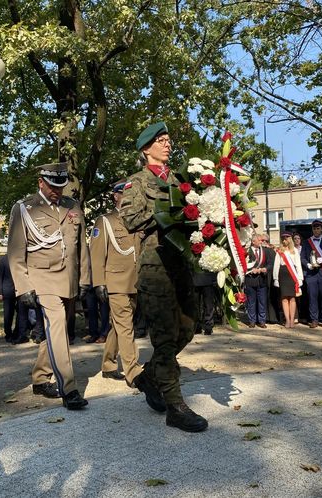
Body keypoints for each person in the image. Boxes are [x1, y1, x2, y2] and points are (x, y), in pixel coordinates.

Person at [120, 121, 206, 432]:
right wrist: (167, 209)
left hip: (181, 263)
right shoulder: (137, 183)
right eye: (161, 141)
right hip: (155, 266)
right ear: (146, 149)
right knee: (165, 337)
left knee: (187, 327)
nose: (168, 145)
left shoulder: (183, 180)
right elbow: (129, 219)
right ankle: (175, 407)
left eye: (169, 140)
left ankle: (148, 378)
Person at [7, 161, 91, 410]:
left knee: (58, 330)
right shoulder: (24, 209)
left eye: (61, 185)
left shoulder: (72, 206)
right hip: (41, 278)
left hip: (69, 279)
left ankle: (40, 378)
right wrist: (23, 287)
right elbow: (15, 251)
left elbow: (81, 248)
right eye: (53, 185)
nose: (57, 190)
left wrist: (85, 279)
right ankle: (70, 388)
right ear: (41, 182)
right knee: (56, 328)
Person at [89, 180, 144, 384]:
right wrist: (99, 282)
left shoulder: (138, 220)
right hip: (115, 282)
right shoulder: (106, 221)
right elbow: (96, 255)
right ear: (116, 196)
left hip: (134, 282)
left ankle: (108, 364)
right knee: (126, 325)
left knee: (118, 326)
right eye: (125, 193)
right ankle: (133, 371)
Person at [300, 220, 322, 328]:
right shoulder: (306, 242)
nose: (316, 230)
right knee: (312, 297)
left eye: (318, 228)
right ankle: (314, 320)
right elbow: (302, 257)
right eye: (314, 228)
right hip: (311, 273)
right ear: (312, 229)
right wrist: (308, 265)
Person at [0, 255, 29, 344]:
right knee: (8, 314)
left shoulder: (24, 257)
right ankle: (8, 335)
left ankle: (21, 334)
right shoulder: (3, 259)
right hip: (7, 291)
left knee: (22, 313)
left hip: (22, 290)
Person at [273, 232, 304, 328]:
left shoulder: (294, 250)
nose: (284, 239)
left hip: (292, 275)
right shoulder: (279, 251)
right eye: (283, 238)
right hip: (283, 275)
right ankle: (287, 320)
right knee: (284, 299)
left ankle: (292, 320)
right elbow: (276, 265)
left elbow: (298, 265)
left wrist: (300, 278)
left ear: (290, 239)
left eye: (286, 238)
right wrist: (276, 279)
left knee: (292, 298)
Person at [244, 233, 274, 328]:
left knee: (262, 301)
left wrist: (265, 269)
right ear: (253, 242)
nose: (262, 242)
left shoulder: (264, 251)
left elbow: (270, 263)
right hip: (250, 280)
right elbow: (242, 264)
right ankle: (252, 321)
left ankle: (262, 321)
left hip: (262, 279)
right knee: (251, 301)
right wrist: (250, 270)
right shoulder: (246, 251)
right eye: (260, 240)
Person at [293, 232, 308, 325]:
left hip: (304, 274)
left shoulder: (304, 249)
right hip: (294, 275)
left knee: (304, 297)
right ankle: (295, 317)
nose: (297, 240)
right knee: (295, 296)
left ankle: (304, 316)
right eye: (295, 238)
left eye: (298, 238)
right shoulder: (291, 250)